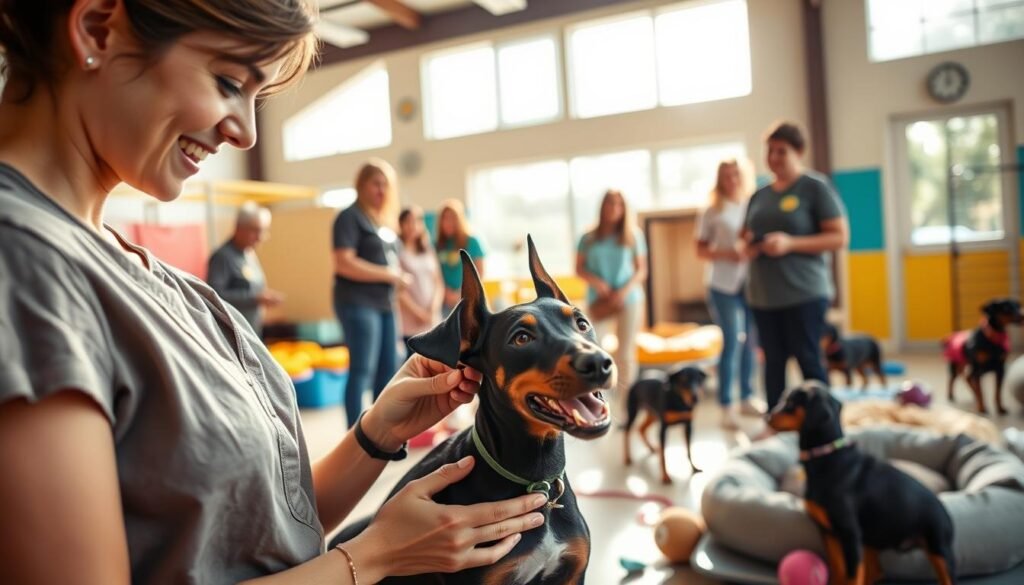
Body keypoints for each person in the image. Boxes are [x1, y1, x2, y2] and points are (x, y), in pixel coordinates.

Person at [0, 2, 545, 583]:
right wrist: (371, 556)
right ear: (96, 29)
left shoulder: (131, 269)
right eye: (228, 82)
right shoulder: (25, 264)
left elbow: (253, 535)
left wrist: (376, 433)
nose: (245, 132)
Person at [739, 122, 850, 411]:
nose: (774, 157)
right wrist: (751, 247)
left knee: (808, 359)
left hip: (805, 294)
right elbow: (745, 237)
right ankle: (775, 420)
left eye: (781, 151)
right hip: (764, 296)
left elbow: (839, 237)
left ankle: (823, 419)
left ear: (798, 152)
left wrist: (790, 244)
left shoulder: (814, 188)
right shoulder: (759, 196)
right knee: (773, 363)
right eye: (770, 151)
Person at [333, 159, 411, 428]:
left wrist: (398, 278)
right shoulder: (349, 217)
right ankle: (354, 434)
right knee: (361, 370)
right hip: (358, 303)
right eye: (375, 183)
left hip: (385, 304)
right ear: (361, 185)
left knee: (388, 369)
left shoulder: (382, 223)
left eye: (385, 184)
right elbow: (344, 262)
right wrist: (389, 274)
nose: (381, 190)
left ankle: (379, 431)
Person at [696, 159, 763, 429]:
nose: (731, 179)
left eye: (735, 174)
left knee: (751, 341)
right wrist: (727, 253)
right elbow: (700, 249)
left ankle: (747, 396)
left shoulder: (753, 204)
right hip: (721, 284)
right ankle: (726, 405)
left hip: (750, 282)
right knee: (733, 340)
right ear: (719, 178)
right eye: (726, 175)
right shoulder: (712, 210)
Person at [576, 189, 648, 417]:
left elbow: (641, 270)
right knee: (593, 349)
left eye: (618, 204)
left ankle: (627, 409)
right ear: (602, 207)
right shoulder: (587, 238)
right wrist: (597, 283)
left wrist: (624, 291)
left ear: (624, 208)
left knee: (625, 354)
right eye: (610, 203)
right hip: (598, 301)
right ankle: (597, 404)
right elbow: (579, 268)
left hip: (629, 299)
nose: (614, 208)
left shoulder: (633, 235)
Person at [207, 202, 284, 335]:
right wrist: (254, 298)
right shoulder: (223, 257)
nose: (260, 237)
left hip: (252, 329)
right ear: (239, 228)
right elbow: (214, 296)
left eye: (264, 231)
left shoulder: (249, 254)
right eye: (255, 231)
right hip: (233, 332)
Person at [397, 205, 443, 350]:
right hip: (410, 323)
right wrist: (419, 313)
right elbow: (398, 290)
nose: (413, 225)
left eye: (417, 220)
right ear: (401, 224)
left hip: (432, 321)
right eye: (408, 221)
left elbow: (438, 282)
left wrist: (433, 308)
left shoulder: (428, 249)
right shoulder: (397, 250)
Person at [436, 198, 485, 316]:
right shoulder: (437, 245)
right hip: (443, 302)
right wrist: (444, 293)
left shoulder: (472, 242)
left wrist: (461, 294)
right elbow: (434, 274)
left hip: (468, 300)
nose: (448, 222)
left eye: (452, 218)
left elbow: (480, 272)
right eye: (445, 218)